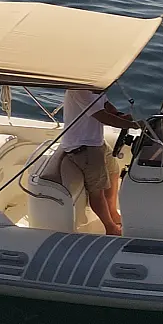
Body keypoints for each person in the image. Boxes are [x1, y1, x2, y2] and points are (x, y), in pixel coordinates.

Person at [61, 88, 138, 235]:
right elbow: (103, 117)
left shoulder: (96, 87)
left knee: (114, 172)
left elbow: (105, 104)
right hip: (82, 146)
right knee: (98, 189)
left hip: (96, 142)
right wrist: (133, 125)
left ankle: (113, 213)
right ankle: (110, 227)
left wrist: (119, 115)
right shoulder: (79, 91)